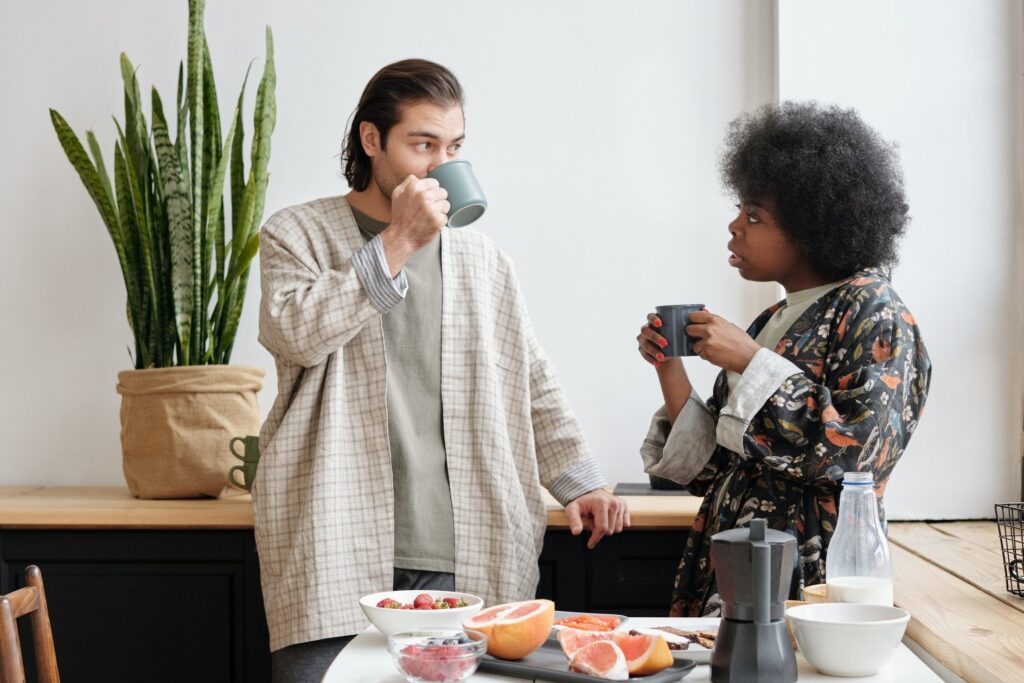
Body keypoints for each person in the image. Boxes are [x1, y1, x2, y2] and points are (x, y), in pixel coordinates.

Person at [255, 58, 629, 680]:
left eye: (453, 146)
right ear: (372, 140)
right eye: (422, 144)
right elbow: (294, 335)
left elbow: (531, 378)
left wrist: (580, 482)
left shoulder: (483, 258)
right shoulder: (297, 232)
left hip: (467, 548)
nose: (439, 164)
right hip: (332, 538)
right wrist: (397, 242)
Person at [636, 102, 931, 617]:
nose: (734, 227)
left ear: (814, 228)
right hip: (734, 556)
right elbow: (719, 470)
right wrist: (670, 367)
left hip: (809, 572)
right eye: (739, 209)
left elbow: (860, 457)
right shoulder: (776, 317)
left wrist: (751, 362)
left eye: (754, 216)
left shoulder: (875, 312)